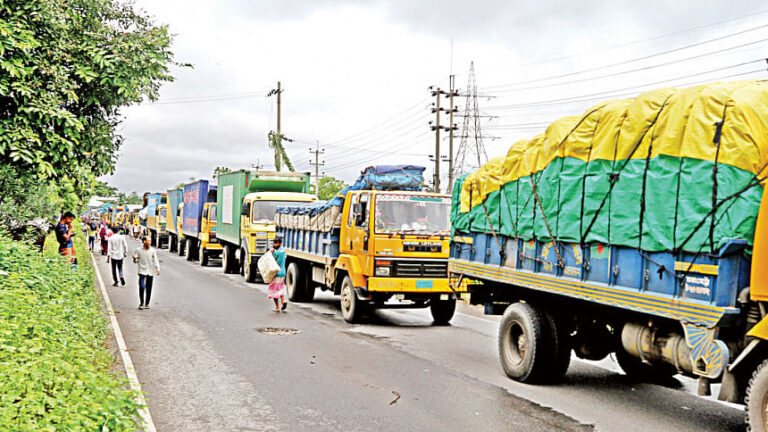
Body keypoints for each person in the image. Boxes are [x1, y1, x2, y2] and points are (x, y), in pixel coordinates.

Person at [133, 236, 160, 310]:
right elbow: (136, 261)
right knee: (142, 287)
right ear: (144, 241)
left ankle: (147, 303)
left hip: (150, 271)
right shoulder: (138, 250)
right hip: (141, 270)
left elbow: (155, 260)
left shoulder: (152, 250)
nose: (150, 242)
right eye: (148, 241)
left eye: (150, 241)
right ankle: (141, 303)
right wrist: (134, 258)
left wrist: (158, 268)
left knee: (149, 288)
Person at [268, 236, 288, 312]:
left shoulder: (276, 253)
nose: (274, 244)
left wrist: (270, 252)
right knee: (280, 288)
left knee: (273, 290)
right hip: (283, 273)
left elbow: (270, 259)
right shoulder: (283, 251)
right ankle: (283, 301)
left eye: (276, 243)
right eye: (274, 242)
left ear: (280, 243)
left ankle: (277, 307)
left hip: (276, 273)